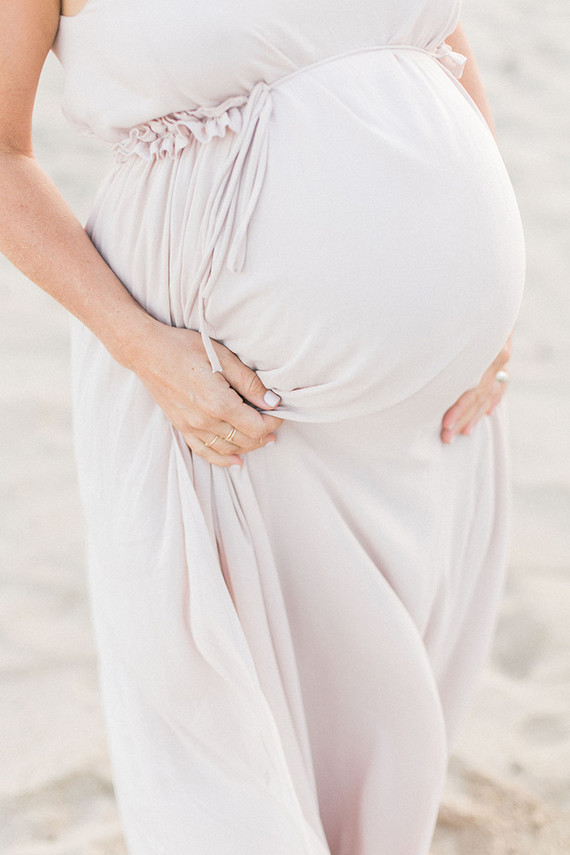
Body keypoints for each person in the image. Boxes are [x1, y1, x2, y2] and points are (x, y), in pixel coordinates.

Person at [0, 0, 525, 853]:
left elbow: (435, 45)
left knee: (377, 737)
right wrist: (145, 349)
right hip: (221, 402)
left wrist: (490, 289)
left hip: (429, 422)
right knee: (236, 766)